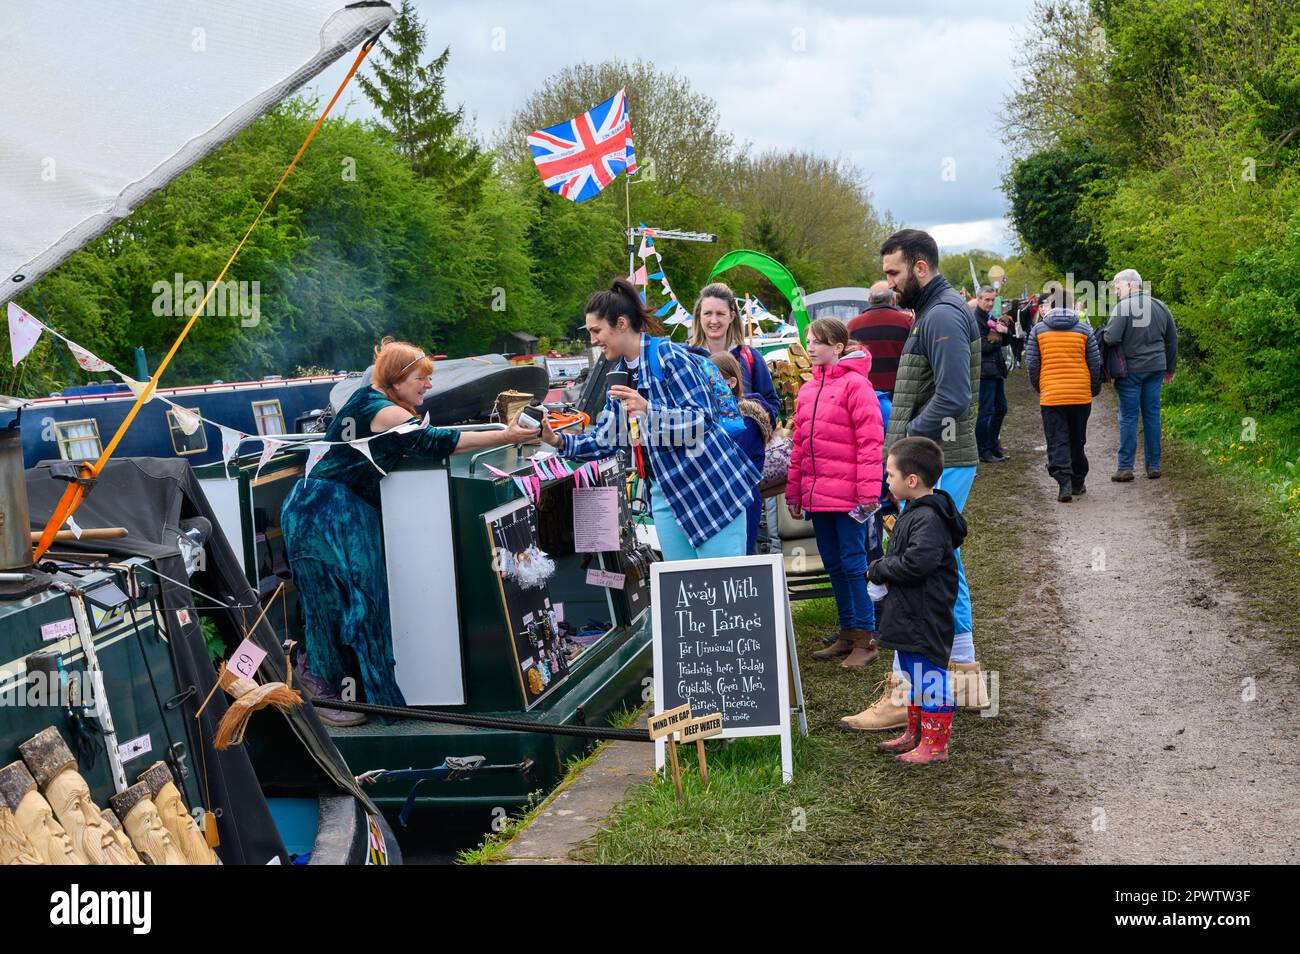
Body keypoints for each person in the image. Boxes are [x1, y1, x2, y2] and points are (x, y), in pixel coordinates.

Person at [283, 338, 540, 726]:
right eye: (422, 379)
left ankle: (358, 693)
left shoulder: (376, 404)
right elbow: (436, 443)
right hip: (322, 511)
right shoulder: (381, 411)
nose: (428, 386)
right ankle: (320, 685)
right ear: (397, 379)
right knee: (338, 602)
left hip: (339, 507)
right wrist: (505, 437)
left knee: (357, 601)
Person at [842, 228, 989, 733]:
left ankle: (906, 690)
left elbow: (953, 397)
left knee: (914, 567)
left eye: (893, 273)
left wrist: (905, 445)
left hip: (935, 462)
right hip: (937, 458)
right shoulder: (934, 311)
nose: (888, 282)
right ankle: (965, 681)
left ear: (919, 268)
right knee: (946, 561)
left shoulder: (943, 314)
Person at [540, 277, 758, 561]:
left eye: (596, 331)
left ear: (620, 323)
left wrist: (648, 411)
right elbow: (606, 441)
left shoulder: (669, 356)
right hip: (666, 493)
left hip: (710, 489)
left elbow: (702, 420)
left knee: (724, 589)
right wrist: (555, 439)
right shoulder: (618, 374)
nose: (592, 340)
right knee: (684, 592)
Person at [861, 436, 968, 763]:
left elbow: (918, 562)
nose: (886, 480)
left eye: (890, 474)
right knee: (912, 674)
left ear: (912, 480)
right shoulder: (914, 510)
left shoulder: (929, 518)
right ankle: (916, 732)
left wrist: (880, 568)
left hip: (925, 616)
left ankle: (936, 746)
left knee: (930, 677)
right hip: (910, 613)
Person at [787, 318, 884, 669]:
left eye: (817, 341)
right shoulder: (808, 390)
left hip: (848, 496)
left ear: (838, 347)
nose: (810, 346)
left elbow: (870, 443)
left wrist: (868, 494)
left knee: (854, 564)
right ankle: (848, 631)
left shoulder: (857, 386)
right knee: (834, 565)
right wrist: (795, 492)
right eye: (808, 340)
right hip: (818, 495)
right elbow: (799, 445)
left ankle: (867, 636)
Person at [1026, 289, 1102, 501]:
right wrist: (1093, 389)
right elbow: (1095, 364)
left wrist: (1041, 387)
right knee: (1077, 440)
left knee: (1057, 439)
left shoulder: (1039, 331)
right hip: (1080, 395)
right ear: (1070, 306)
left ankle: (1064, 483)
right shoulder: (1085, 330)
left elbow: (1032, 365)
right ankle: (1078, 481)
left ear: (1051, 306)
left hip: (1052, 396)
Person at [1103, 269, 1178, 481]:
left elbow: (1111, 338)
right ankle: (1154, 465)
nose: (1117, 292)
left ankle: (1125, 467)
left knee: (1128, 417)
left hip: (1130, 372)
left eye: (1117, 287)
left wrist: (1103, 333)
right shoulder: (1160, 306)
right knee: (1152, 415)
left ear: (1129, 285)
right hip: (1156, 368)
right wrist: (1170, 368)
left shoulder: (1123, 308)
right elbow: (1172, 340)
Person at [689, 281, 781, 424]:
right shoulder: (686, 358)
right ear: (699, 315)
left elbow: (772, 404)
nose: (714, 320)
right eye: (707, 313)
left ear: (732, 316)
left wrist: (753, 428)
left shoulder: (751, 357)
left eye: (720, 314)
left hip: (745, 444)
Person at [709, 351, 772, 555]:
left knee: (742, 556)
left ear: (731, 382)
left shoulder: (745, 420)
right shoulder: (712, 416)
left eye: (710, 380)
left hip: (742, 497)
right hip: (720, 496)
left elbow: (731, 460)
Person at [846, 280, 915, 396]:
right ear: (893, 301)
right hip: (901, 392)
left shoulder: (852, 326)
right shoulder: (908, 323)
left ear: (869, 301)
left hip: (865, 392)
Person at [974, 285, 1013, 463]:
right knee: (986, 411)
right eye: (987, 299)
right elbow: (981, 347)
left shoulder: (991, 318)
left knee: (1001, 409)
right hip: (984, 372)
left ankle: (992, 444)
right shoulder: (975, 320)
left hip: (995, 370)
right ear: (979, 299)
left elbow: (1004, 341)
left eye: (992, 300)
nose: (990, 303)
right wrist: (998, 335)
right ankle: (983, 449)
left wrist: (1003, 334)